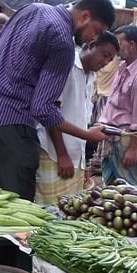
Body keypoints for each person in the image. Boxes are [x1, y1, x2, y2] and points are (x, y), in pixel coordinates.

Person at [0, 0, 115, 200]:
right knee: (16, 206)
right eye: (97, 31)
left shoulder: (33, 9)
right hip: (12, 122)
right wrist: (87, 135)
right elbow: (43, 109)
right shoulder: (63, 43)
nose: (94, 38)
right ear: (84, 16)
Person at [36, 31, 119, 204]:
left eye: (110, 60)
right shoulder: (67, 66)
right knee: (49, 210)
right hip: (55, 153)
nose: (105, 62)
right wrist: (62, 154)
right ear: (92, 44)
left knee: (69, 211)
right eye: (104, 55)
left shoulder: (91, 75)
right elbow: (50, 111)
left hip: (74, 155)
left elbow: (78, 113)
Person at [98, 25, 137, 186]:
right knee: (111, 188)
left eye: (119, 42)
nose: (116, 47)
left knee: (129, 189)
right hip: (113, 137)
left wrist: (132, 149)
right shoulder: (123, 69)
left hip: (127, 141)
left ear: (131, 45)